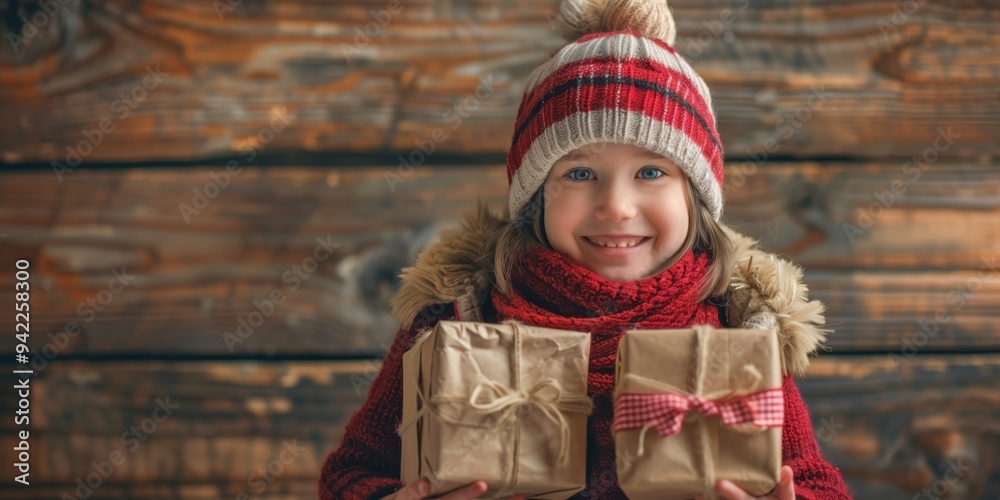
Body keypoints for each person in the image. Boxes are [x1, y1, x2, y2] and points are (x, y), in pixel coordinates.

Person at [319, 0, 854, 498]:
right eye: (579, 172)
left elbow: (816, 483)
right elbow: (350, 474)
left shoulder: (741, 331)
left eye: (651, 171)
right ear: (535, 199)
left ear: (694, 198)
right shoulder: (452, 324)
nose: (616, 206)